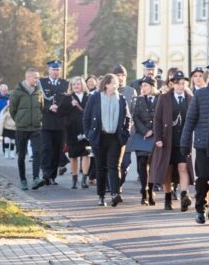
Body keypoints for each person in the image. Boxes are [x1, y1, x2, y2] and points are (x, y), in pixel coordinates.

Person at [182, 61, 209, 225]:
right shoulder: (200, 95)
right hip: (202, 144)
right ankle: (200, 208)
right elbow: (190, 119)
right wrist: (185, 142)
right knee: (204, 177)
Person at [83, 73, 132, 207]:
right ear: (106, 84)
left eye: (117, 83)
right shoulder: (95, 98)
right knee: (100, 167)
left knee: (114, 165)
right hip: (99, 136)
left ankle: (115, 193)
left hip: (115, 137)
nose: (116, 86)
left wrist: (125, 133)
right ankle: (101, 196)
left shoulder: (121, 99)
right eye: (113, 83)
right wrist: (89, 134)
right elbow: (86, 117)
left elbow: (128, 118)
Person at [149, 71, 195, 210]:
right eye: (178, 84)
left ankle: (184, 196)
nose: (181, 86)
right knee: (167, 170)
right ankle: (168, 198)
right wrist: (158, 138)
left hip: (184, 141)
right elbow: (157, 119)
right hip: (168, 140)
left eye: (183, 84)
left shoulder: (190, 98)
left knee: (183, 167)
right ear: (172, 84)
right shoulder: (164, 98)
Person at [8, 69, 44, 190]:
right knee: (22, 155)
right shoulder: (17, 92)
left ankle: (36, 178)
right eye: (36, 77)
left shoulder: (39, 91)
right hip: (21, 129)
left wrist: (39, 119)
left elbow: (41, 108)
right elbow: (12, 110)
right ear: (28, 78)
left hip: (36, 128)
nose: (37, 80)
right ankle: (23, 180)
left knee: (37, 153)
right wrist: (19, 120)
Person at [38, 60, 69, 186]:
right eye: (53, 69)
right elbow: (38, 102)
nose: (56, 72)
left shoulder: (65, 84)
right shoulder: (42, 83)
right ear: (49, 70)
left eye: (57, 70)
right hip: (46, 121)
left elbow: (68, 102)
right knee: (46, 148)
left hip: (60, 123)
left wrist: (59, 108)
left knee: (57, 150)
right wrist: (48, 108)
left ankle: (52, 176)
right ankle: (45, 173)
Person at [131, 77, 158, 205]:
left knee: (153, 165)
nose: (143, 88)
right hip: (142, 136)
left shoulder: (160, 99)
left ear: (152, 86)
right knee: (141, 163)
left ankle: (151, 190)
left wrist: (152, 130)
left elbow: (162, 117)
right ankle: (144, 190)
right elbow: (135, 117)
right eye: (142, 86)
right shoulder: (139, 100)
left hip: (156, 135)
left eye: (145, 86)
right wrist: (144, 131)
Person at [63, 77, 91, 189]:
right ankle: (74, 180)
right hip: (72, 130)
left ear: (83, 85)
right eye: (73, 84)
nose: (76, 86)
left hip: (86, 129)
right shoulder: (67, 98)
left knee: (86, 154)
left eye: (78, 84)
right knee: (73, 155)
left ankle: (84, 179)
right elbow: (60, 112)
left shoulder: (89, 97)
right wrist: (70, 105)